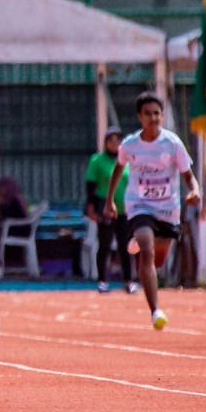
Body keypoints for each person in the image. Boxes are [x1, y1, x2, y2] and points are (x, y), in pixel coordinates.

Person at [102, 92, 201, 329]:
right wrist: (109, 201)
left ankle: (140, 244)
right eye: (148, 114)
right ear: (139, 117)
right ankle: (155, 310)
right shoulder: (130, 145)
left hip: (168, 208)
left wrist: (195, 191)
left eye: (157, 113)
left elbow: (188, 174)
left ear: (162, 115)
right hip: (139, 205)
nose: (153, 118)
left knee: (158, 259)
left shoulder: (172, 143)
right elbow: (118, 169)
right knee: (147, 251)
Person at [85, 126, 130, 293]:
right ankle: (103, 280)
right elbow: (90, 186)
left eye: (118, 139)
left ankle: (128, 280)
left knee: (125, 245)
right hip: (105, 207)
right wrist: (90, 208)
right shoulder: (97, 161)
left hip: (124, 208)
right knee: (104, 244)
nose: (114, 142)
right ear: (105, 142)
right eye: (111, 139)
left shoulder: (127, 161)